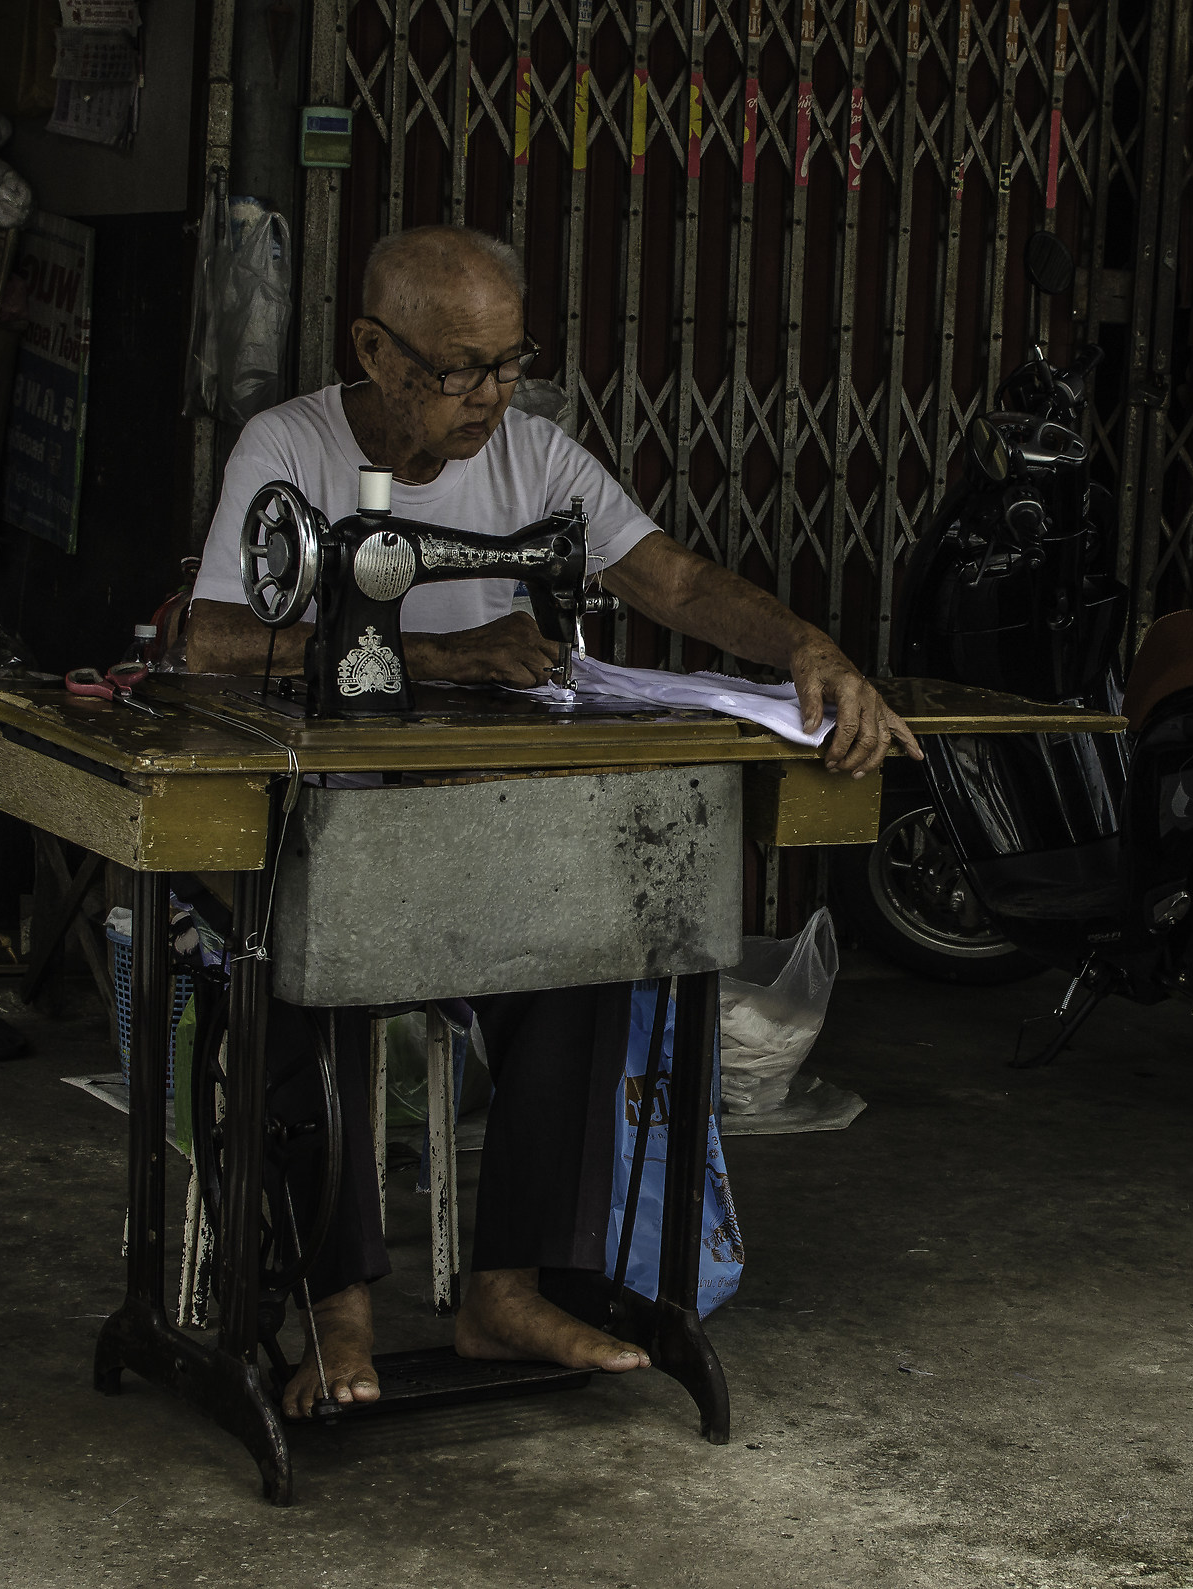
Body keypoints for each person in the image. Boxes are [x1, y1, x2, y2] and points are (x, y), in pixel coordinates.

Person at [183, 223, 920, 1417]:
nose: (489, 395)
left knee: (590, 945)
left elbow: (672, 581)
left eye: (509, 362)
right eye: (457, 369)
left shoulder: (533, 456)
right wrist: (440, 653)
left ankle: (506, 1288)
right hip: (326, 834)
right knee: (305, 968)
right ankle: (335, 1308)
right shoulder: (289, 447)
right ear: (372, 348)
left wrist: (811, 647)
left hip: (479, 839)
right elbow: (213, 637)